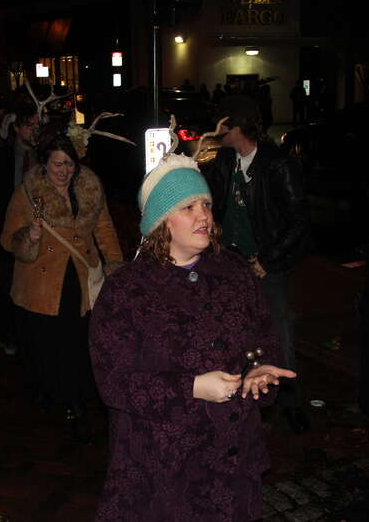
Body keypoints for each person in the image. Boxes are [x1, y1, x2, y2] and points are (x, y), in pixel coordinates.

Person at [89, 153, 296, 521]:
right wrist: (193, 388)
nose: (204, 216)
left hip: (232, 460)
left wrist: (259, 369)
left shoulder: (233, 270)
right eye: (188, 207)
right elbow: (115, 382)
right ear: (161, 221)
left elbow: (264, 333)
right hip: (164, 468)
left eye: (206, 205)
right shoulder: (126, 291)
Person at [0, 134, 122, 442]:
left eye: (69, 164)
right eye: (57, 164)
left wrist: (115, 267)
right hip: (42, 283)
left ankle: (75, 402)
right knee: (47, 345)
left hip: (80, 279)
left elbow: (104, 229)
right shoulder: (28, 194)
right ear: (44, 164)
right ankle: (52, 395)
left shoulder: (89, 188)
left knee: (77, 343)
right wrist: (30, 236)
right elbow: (8, 238)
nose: (64, 171)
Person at [204, 94, 311, 434]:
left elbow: (299, 222)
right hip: (229, 262)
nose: (218, 131)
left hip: (264, 262)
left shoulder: (277, 165)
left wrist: (268, 260)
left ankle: (290, 402)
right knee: (232, 330)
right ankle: (241, 398)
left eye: (223, 124)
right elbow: (212, 200)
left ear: (238, 126)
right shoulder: (225, 160)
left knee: (278, 330)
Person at [0, 102, 39, 356]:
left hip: (38, 234)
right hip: (7, 233)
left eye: (37, 125)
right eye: (29, 125)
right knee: (8, 288)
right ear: (16, 128)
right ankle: (10, 335)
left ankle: (31, 337)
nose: (34, 131)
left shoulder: (45, 157)